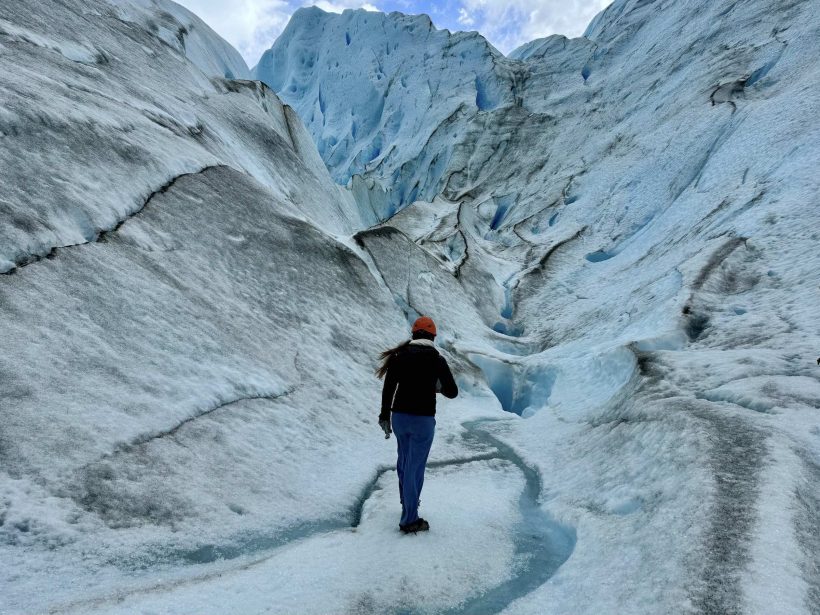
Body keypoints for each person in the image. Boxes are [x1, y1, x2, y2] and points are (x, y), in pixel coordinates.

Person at [376, 316, 458, 534]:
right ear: (433, 337)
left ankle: (407, 502)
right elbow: (452, 392)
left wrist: (384, 415)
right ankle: (410, 520)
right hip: (423, 420)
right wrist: (436, 386)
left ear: (413, 334)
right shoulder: (437, 360)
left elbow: (389, 389)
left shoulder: (399, 357)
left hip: (400, 418)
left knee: (404, 461)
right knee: (415, 466)